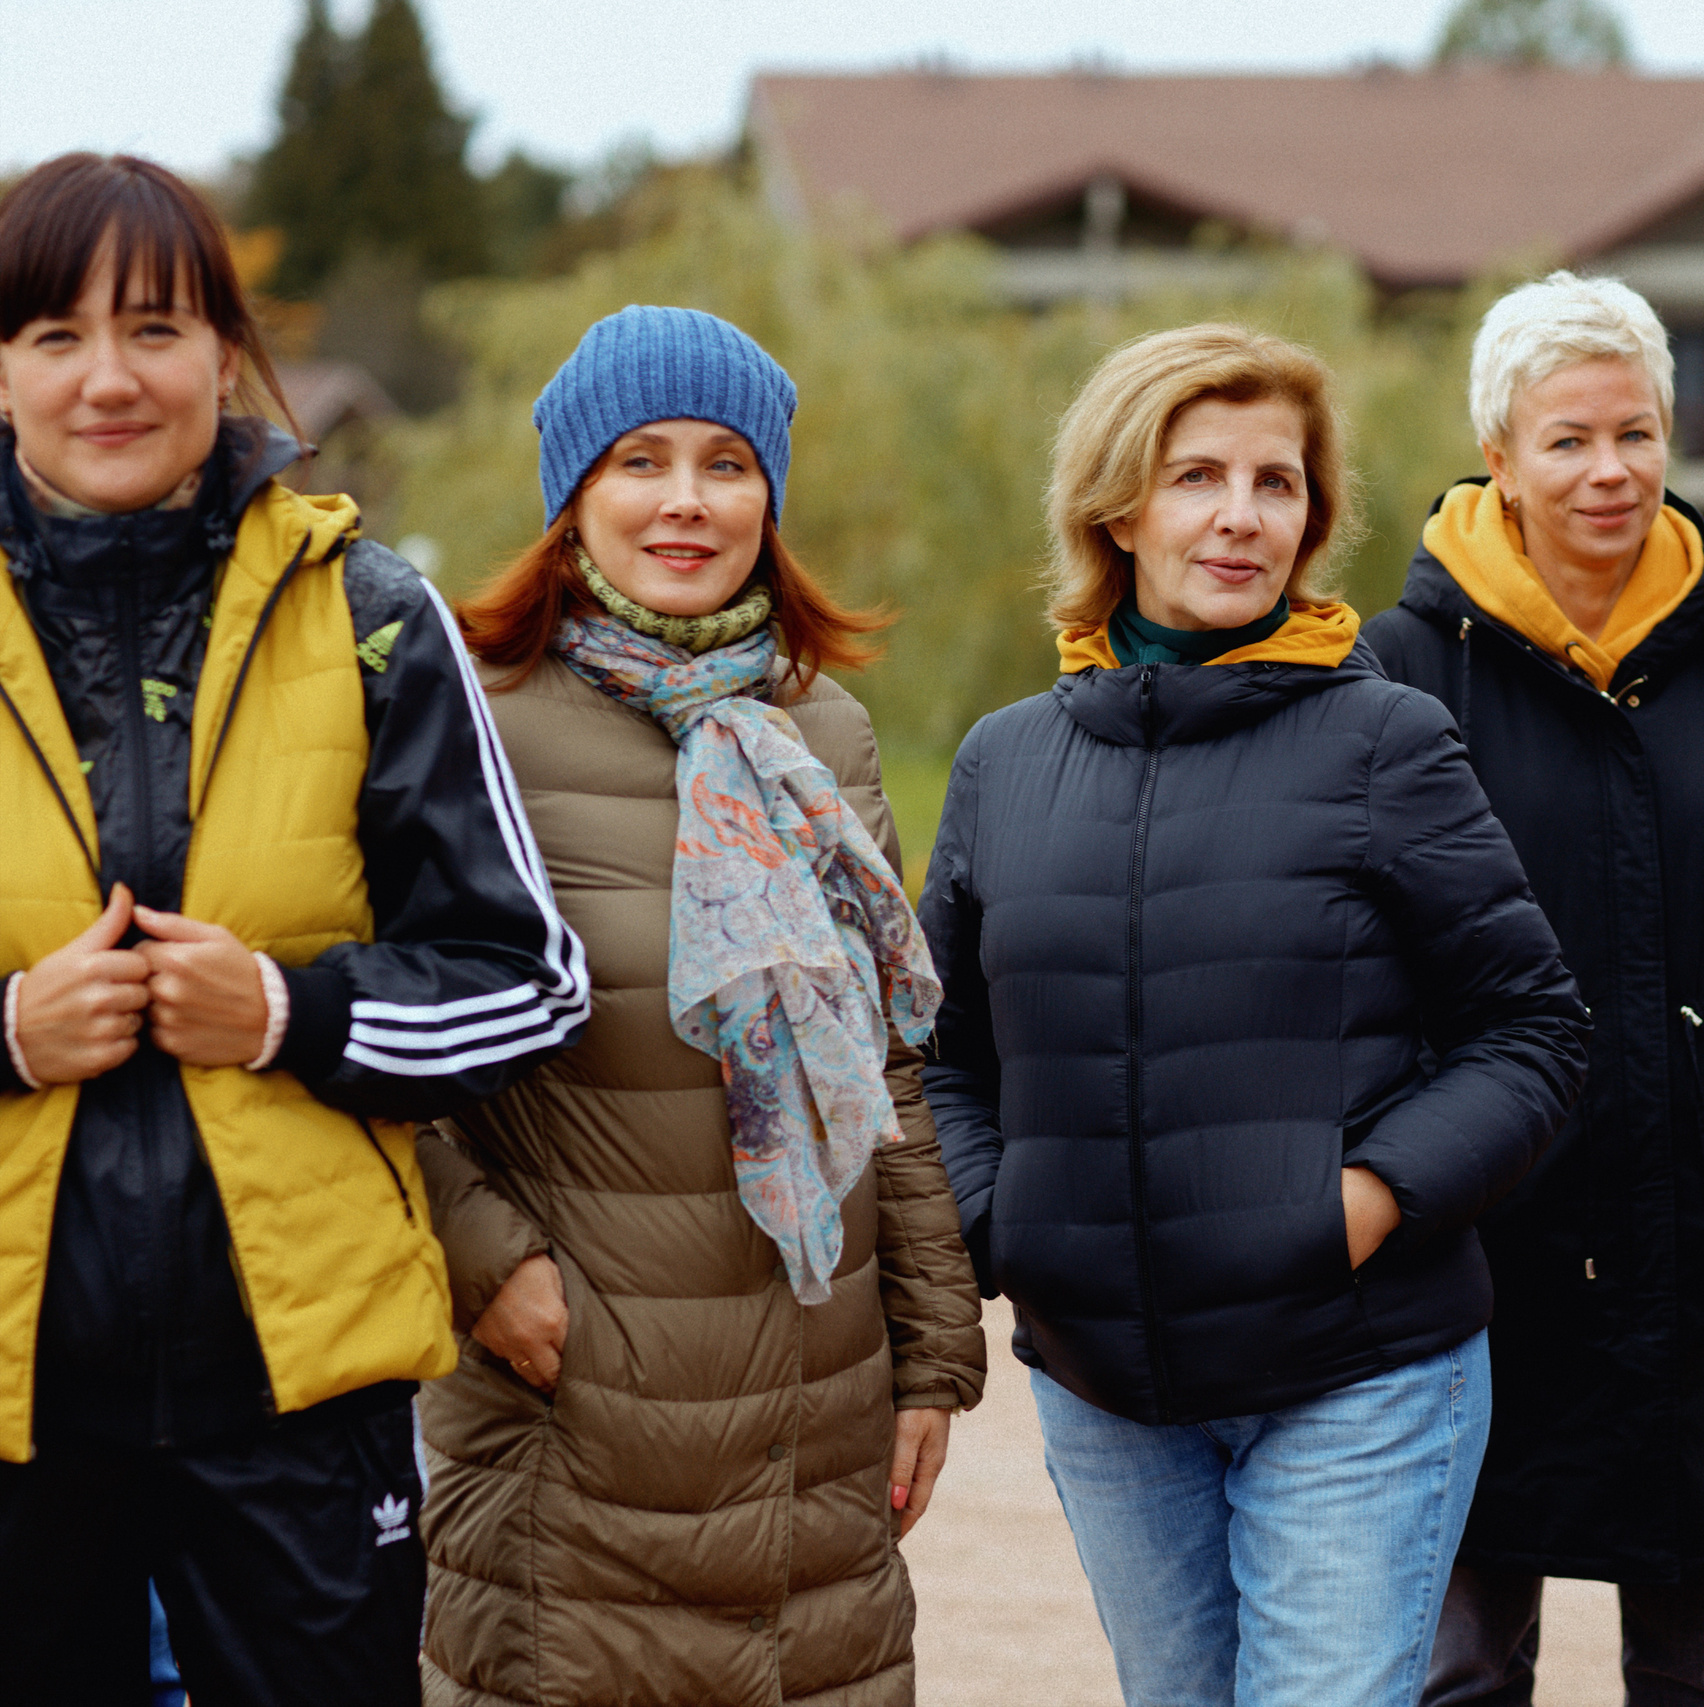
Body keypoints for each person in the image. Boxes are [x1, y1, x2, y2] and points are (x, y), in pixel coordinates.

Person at [920, 323, 1588, 1707]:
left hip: (1355, 1371)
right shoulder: (1004, 764)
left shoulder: (1383, 739)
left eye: (1276, 483)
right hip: (1104, 1389)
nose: (1240, 517)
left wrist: (1361, 1201)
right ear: (1116, 505)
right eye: (1196, 477)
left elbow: (1533, 1034)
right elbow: (939, 1061)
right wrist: (1012, 1223)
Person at [0, 153, 586, 1704]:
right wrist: (5, 1032)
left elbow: (528, 982)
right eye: (54, 336)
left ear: (226, 348)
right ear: (0, 369)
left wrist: (283, 1014)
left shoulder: (372, 616)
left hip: (296, 1394)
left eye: (155, 328)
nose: (108, 378)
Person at [422, 306, 986, 1707]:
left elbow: (885, 1070)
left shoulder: (825, 732)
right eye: (640, 461)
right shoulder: (466, 716)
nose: (685, 500)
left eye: (726, 463)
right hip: (577, 1401)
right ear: (571, 500)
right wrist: (489, 1267)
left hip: (816, 1403)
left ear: (769, 499)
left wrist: (931, 1353)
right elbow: (387, 1035)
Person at [1363, 270, 1704, 1706]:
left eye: (1635, 434)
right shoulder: (1398, 672)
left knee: (1697, 1675)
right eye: (1568, 440)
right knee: (1457, 1670)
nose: (1609, 472)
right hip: (1474, 1250)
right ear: (1502, 457)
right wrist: (1417, 1160)